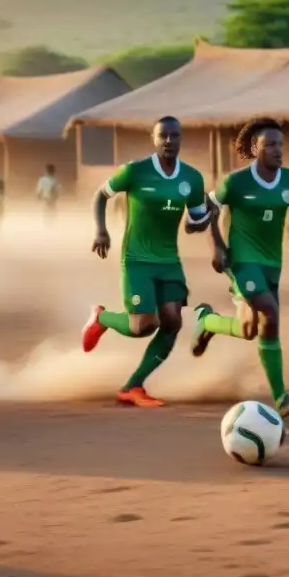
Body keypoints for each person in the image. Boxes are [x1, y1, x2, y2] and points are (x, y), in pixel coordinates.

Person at [80, 116, 212, 407]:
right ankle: (100, 318)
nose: (169, 141)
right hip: (137, 259)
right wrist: (101, 231)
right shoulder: (134, 171)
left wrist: (203, 221)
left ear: (181, 139)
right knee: (143, 325)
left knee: (172, 322)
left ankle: (133, 386)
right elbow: (100, 196)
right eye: (163, 136)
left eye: (174, 136)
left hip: (169, 261)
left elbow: (196, 220)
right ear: (154, 139)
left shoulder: (192, 178)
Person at [192, 117, 289, 419]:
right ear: (255, 147)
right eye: (270, 144)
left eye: (281, 144)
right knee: (270, 313)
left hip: (273, 264)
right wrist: (217, 246)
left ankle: (206, 321)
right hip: (242, 262)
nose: (278, 149)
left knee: (249, 330)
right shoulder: (236, 182)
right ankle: (281, 397)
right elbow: (207, 210)